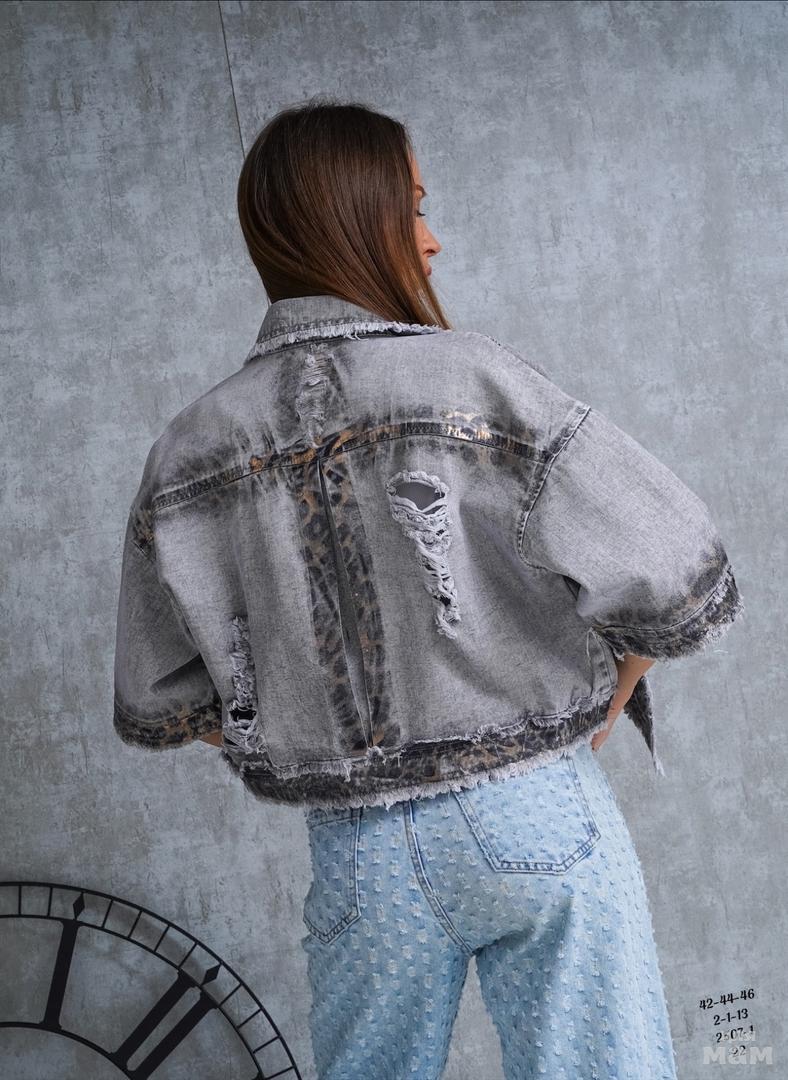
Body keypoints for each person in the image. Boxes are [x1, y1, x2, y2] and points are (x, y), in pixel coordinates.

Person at [113, 98, 744, 1079]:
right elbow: (671, 565)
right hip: (534, 810)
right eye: (411, 209)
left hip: (361, 852)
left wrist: (299, 722)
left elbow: (161, 695)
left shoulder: (192, 447)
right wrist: (611, 690)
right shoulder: (473, 379)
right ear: (353, 221)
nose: (432, 238)